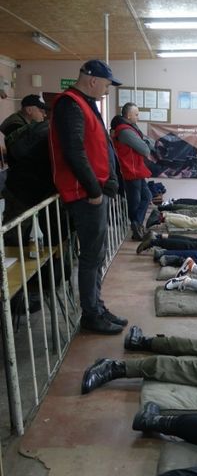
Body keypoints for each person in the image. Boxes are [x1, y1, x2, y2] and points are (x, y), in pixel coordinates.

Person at [48, 59, 127, 335]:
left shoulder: (86, 104)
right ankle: (91, 315)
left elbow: (99, 147)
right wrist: (94, 190)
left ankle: (97, 307)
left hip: (95, 192)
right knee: (91, 257)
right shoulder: (70, 104)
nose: (107, 90)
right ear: (93, 80)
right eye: (106, 85)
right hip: (85, 194)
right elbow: (74, 151)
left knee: (97, 255)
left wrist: (109, 181)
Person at [110, 103, 153, 241]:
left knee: (147, 196)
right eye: (136, 114)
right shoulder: (125, 131)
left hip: (136, 171)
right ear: (128, 115)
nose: (138, 117)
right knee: (135, 202)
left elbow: (148, 143)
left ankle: (137, 224)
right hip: (130, 171)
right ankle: (136, 228)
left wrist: (145, 141)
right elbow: (145, 149)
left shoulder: (130, 129)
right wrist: (145, 142)